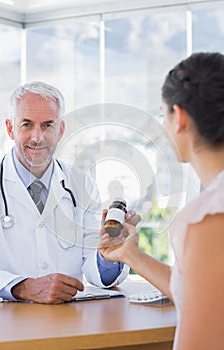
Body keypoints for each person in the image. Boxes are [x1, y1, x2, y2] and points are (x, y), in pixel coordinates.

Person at [99, 52, 224, 349]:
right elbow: (201, 291)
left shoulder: (206, 218)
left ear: (179, 117)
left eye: (162, 113)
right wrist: (132, 256)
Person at [0, 81, 130, 304]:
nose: (37, 137)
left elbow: (95, 270)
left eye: (47, 125)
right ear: (10, 128)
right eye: (27, 125)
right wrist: (21, 287)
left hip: (67, 320)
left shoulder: (81, 183)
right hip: (3, 322)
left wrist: (109, 255)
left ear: (61, 130)